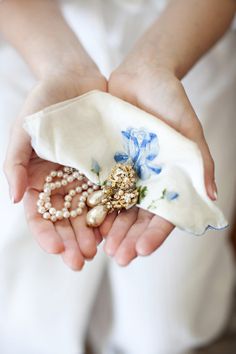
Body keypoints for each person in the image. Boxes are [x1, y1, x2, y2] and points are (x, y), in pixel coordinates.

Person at [0, 1, 235, 353]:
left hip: (186, 43)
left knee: (163, 329)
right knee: (23, 306)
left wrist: (157, 62)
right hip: (42, 46)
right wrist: (60, 66)